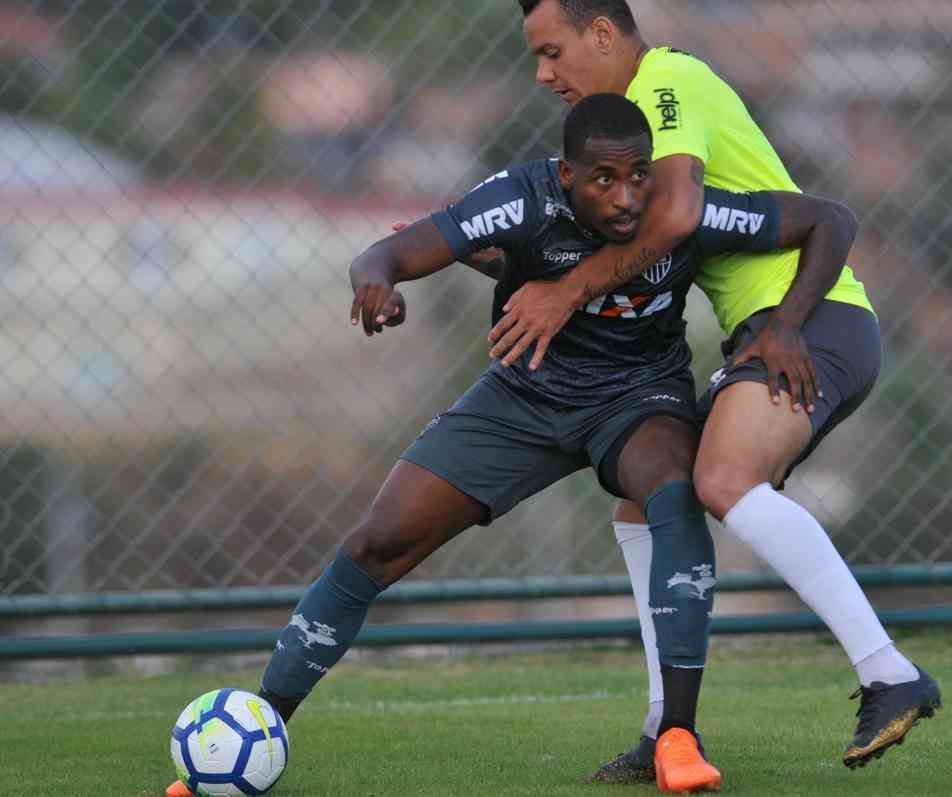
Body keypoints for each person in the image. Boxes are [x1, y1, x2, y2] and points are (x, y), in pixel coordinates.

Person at [168, 92, 846, 797]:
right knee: (378, 542)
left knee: (674, 493)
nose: (626, 196)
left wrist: (787, 326)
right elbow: (387, 252)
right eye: (604, 179)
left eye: (639, 174)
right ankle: (260, 725)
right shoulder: (520, 200)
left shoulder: (682, 207)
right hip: (523, 396)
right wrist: (378, 285)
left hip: (638, 397)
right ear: (565, 176)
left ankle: (677, 736)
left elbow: (831, 219)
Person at [490, 0, 941, 782]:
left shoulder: (669, 83)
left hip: (810, 324)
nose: (544, 73)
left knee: (722, 480)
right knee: (642, 502)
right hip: (772, 330)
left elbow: (673, 220)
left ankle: (888, 670)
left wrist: (565, 295)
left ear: (603, 33)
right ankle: (667, 730)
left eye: (553, 50)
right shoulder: (626, 128)